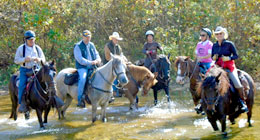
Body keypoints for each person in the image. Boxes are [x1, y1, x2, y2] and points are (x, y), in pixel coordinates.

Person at [212, 26, 248, 113]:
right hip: (218, 68)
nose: (219, 35)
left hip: (229, 67)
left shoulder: (229, 44)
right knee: (207, 81)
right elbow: (212, 57)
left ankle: (242, 103)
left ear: (224, 34)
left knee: (237, 84)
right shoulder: (214, 45)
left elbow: (236, 55)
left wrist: (228, 58)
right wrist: (214, 57)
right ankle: (203, 103)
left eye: (220, 33)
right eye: (217, 34)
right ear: (215, 35)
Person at [14, 30, 46, 113]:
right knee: (21, 85)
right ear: (26, 40)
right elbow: (16, 60)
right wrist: (24, 59)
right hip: (25, 70)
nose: (32, 41)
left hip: (36, 69)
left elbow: (43, 59)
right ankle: (21, 104)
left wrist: (39, 59)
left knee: (47, 81)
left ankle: (51, 99)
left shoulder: (38, 48)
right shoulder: (21, 48)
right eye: (30, 40)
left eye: (33, 39)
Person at [74, 30, 101, 107]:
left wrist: (98, 60)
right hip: (82, 67)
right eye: (86, 37)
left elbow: (96, 54)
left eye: (89, 37)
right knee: (83, 79)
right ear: (82, 37)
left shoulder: (92, 45)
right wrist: (90, 62)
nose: (87, 38)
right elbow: (79, 59)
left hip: (93, 66)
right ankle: (80, 99)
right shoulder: (78, 46)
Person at [104, 32, 125, 98]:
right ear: (112, 39)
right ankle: (114, 92)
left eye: (117, 39)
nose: (117, 40)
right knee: (114, 76)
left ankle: (123, 89)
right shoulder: (107, 46)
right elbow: (107, 58)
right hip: (108, 65)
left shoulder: (118, 47)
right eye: (116, 39)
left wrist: (125, 60)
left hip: (116, 65)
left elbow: (121, 55)